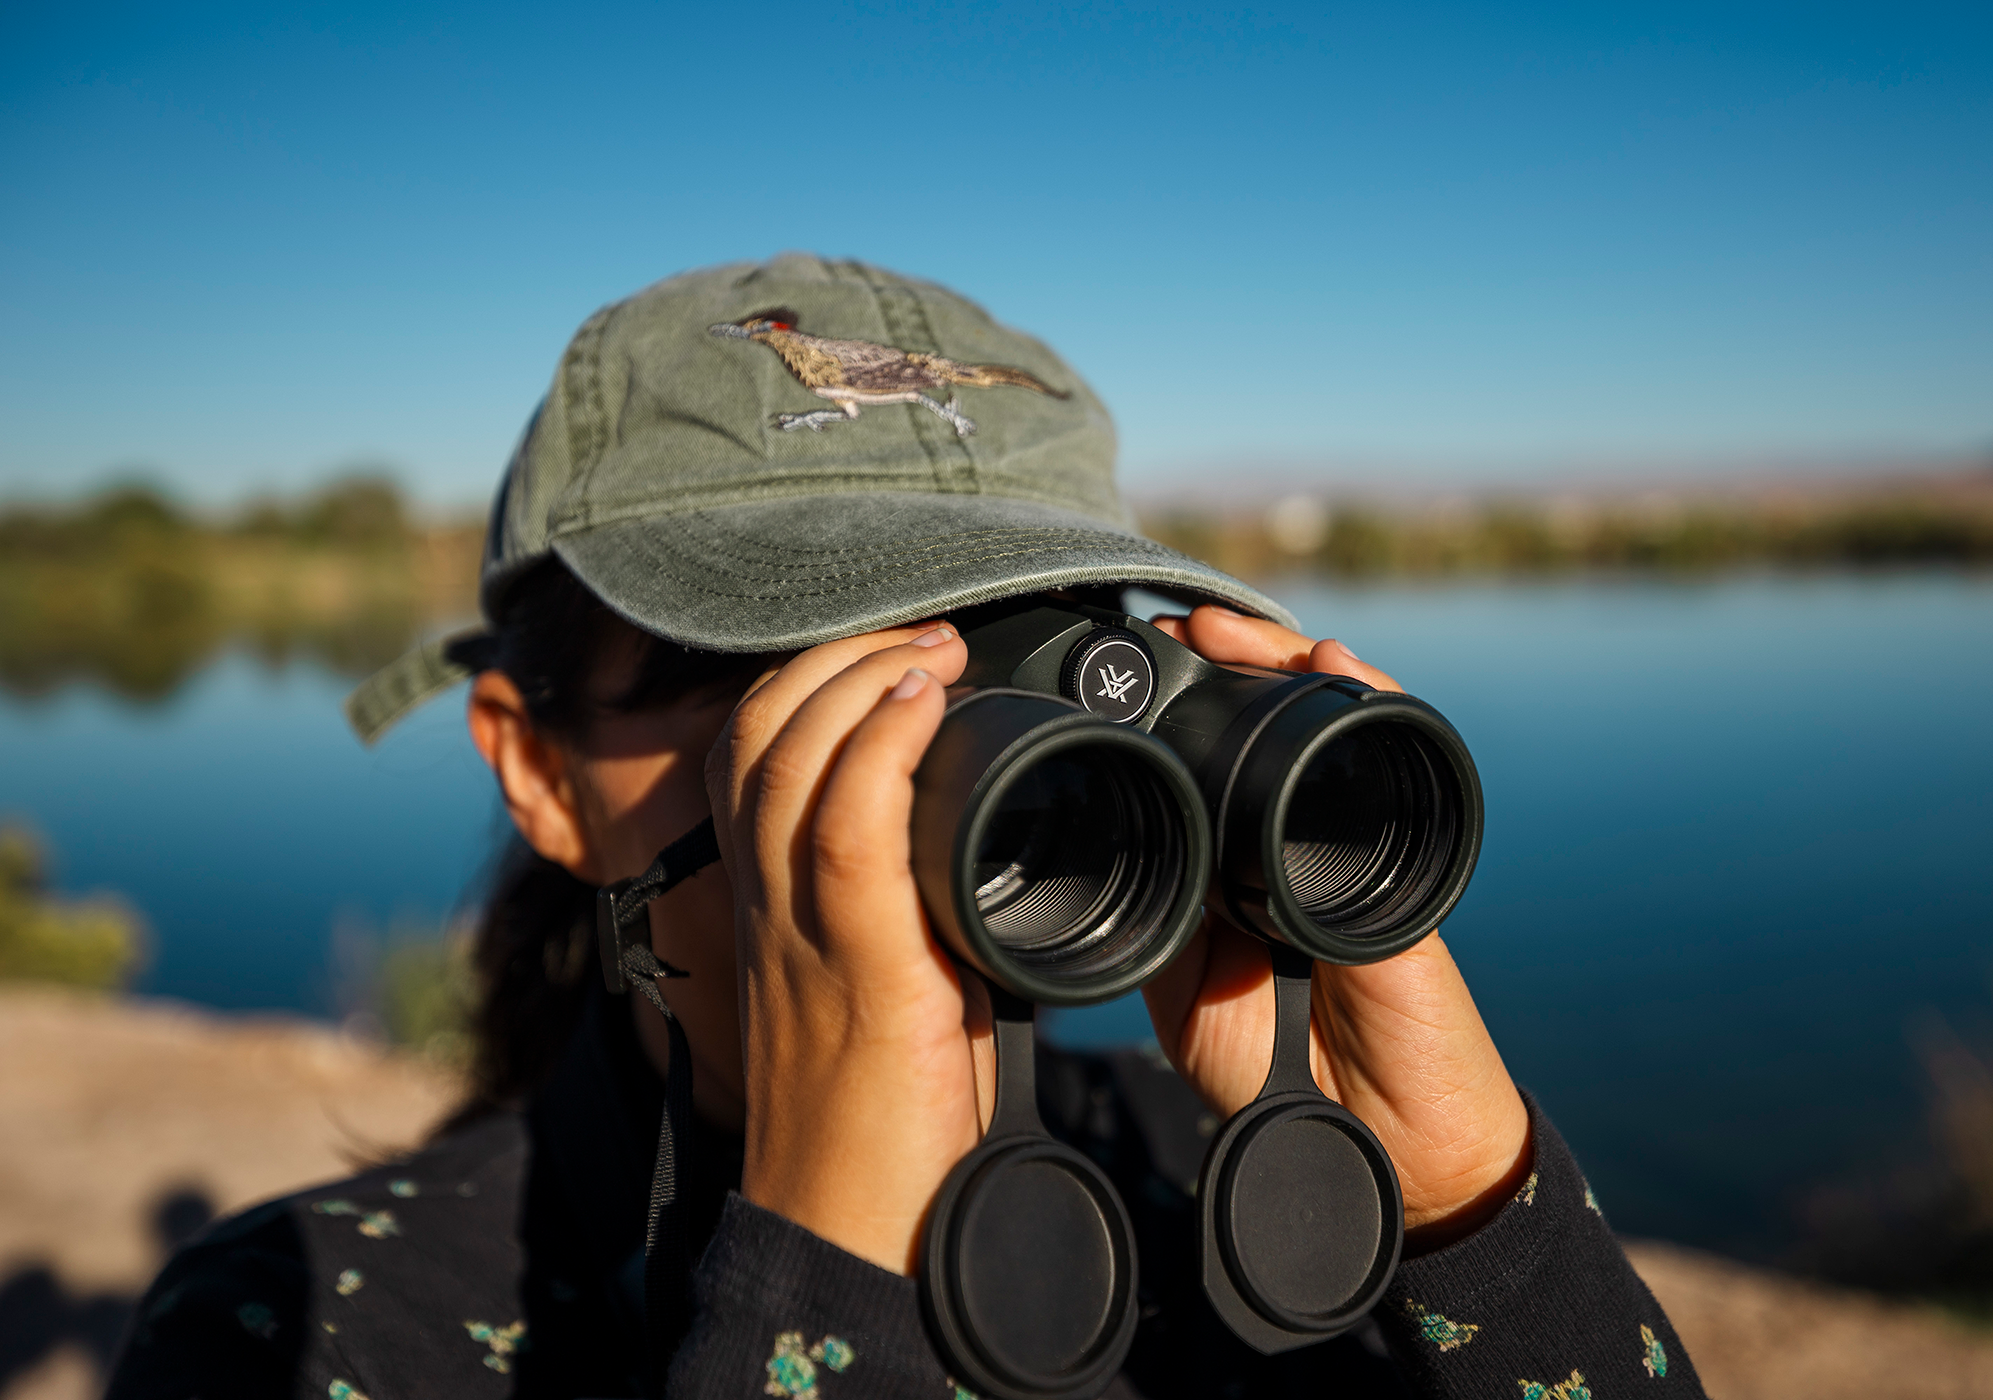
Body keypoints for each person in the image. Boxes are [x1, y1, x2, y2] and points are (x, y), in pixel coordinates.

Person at [107, 255, 1703, 1399]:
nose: (916, 757)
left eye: (1036, 652)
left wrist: (1473, 1222)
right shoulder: (319, 1331)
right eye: (795, 675)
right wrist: (819, 1274)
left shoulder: (1209, 1181)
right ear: (538, 771)